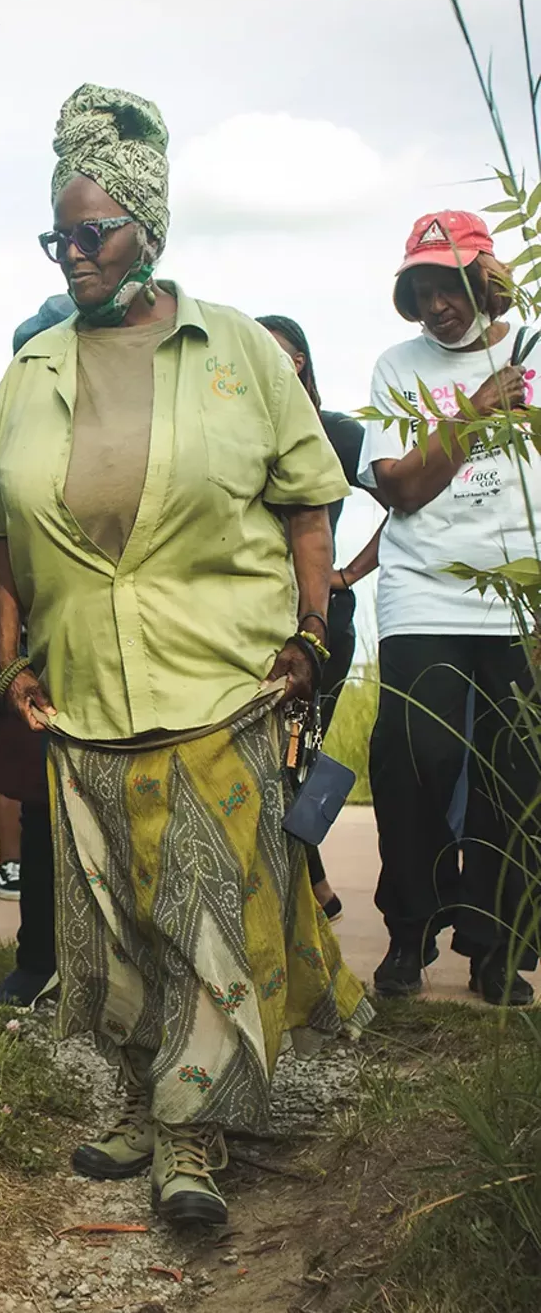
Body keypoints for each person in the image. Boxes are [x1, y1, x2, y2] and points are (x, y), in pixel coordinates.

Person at [0, 83, 369, 1227]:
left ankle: (193, 1134)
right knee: (110, 927)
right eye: (58, 236)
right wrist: (14, 660)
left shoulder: (235, 349)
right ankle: (140, 1103)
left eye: (91, 234)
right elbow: (0, 539)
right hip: (83, 691)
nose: (72, 257)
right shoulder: (30, 370)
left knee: (204, 906)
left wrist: (308, 628)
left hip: (215, 682)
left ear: (148, 227)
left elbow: (305, 505)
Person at [358, 210, 541, 1006]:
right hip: (423, 593)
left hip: (517, 598)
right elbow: (398, 487)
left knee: (514, 776)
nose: (438, 305)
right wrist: (474, 411)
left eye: (453, 284)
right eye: (423, 289)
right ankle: (409, 931)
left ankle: (497, 948)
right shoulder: (397, 366)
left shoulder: (531, 351)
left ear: (488, 280)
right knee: (414, 763)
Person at [257, 314, 382, 919]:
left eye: (274, 352)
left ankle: (309, 882)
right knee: (265, 758)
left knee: (301, 754)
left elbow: (408, 499)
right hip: (251, 619)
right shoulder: (243, 435)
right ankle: (304, 882)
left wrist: (348, 574)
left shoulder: (338, 434)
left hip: (320, 622)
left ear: (300, 361)